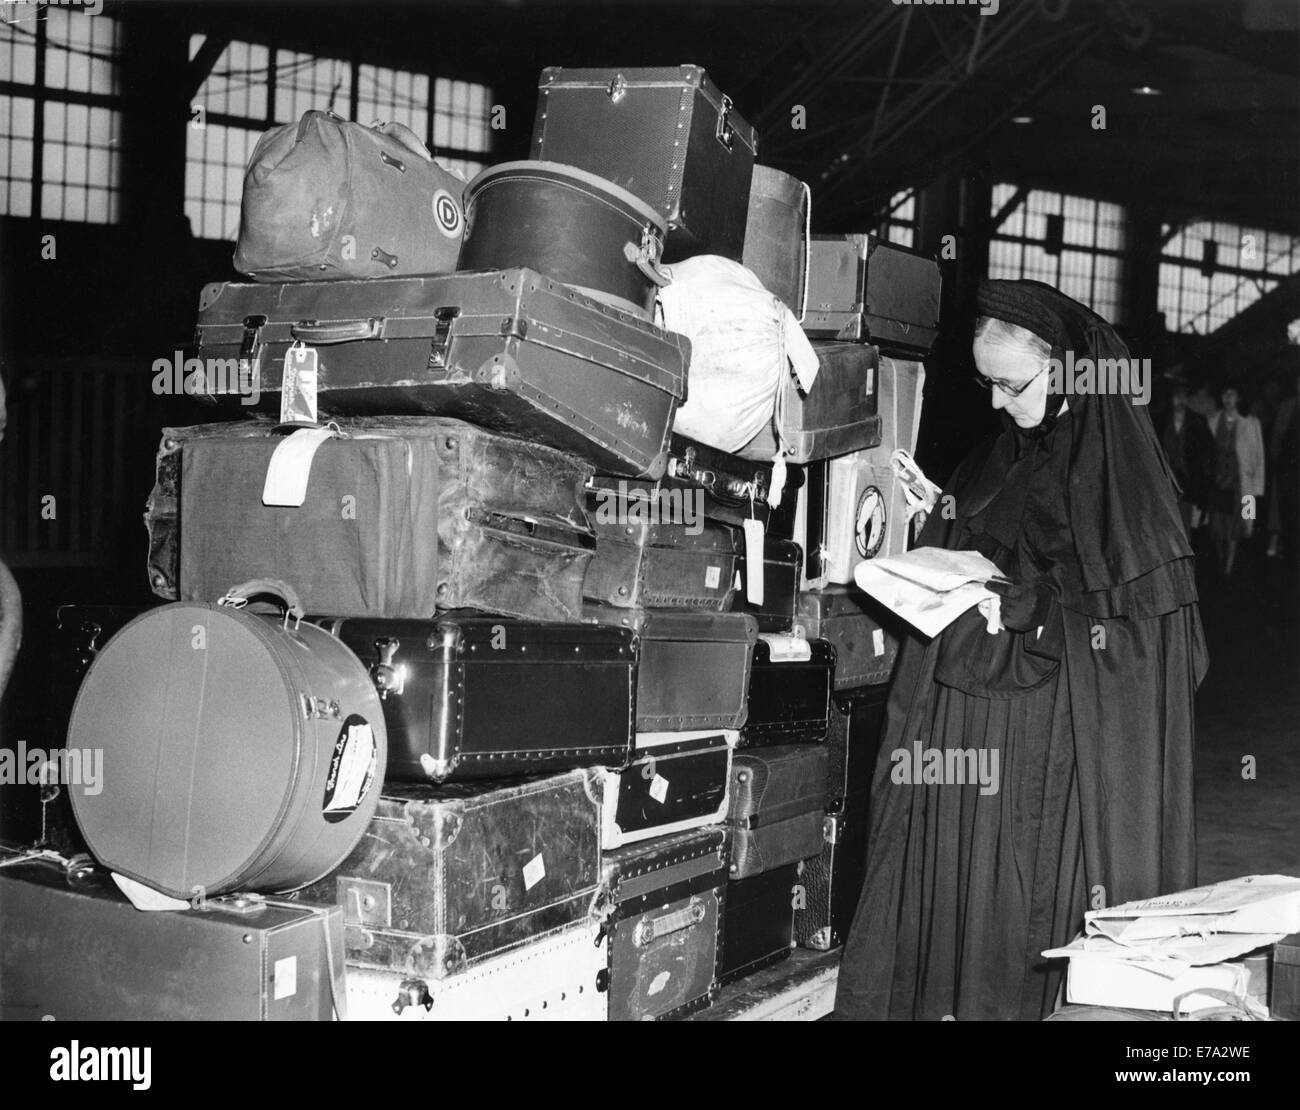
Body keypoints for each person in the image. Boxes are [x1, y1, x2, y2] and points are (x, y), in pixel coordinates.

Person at [834, 280, 1207, 1021]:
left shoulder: (1126, 489)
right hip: (973, 739)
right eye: (988, 385)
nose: (998, 404)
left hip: (1051, 761)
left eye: (1011, 384)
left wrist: (1041, 610)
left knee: (1019, 919)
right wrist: (937, 519)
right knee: (967, 915)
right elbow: (986, 545)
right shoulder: (1000, 454)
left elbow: (1150, 646)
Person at [1207, 387, 1265, 578]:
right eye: (1224, 394)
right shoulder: (1213, 420)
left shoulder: (1250, 424)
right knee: (1217, 527)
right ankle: (1221, 558)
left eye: (1232, 394)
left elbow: (1258, 457)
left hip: (1241, 484)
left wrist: (1257, 488)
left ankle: (1228, 568)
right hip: (1217, 482)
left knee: (1237, 527)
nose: (1228, 398)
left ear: (1239, 398)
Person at [1160, 379, 1215, 538]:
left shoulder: (1197, 421)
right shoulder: (1162, 420)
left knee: (1185, 528)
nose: (1180, 401)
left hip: (1188, 484)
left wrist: (1204, 481)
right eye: (1177, 397)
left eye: (1183, 397)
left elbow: (1208, 452)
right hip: (1165, 483)